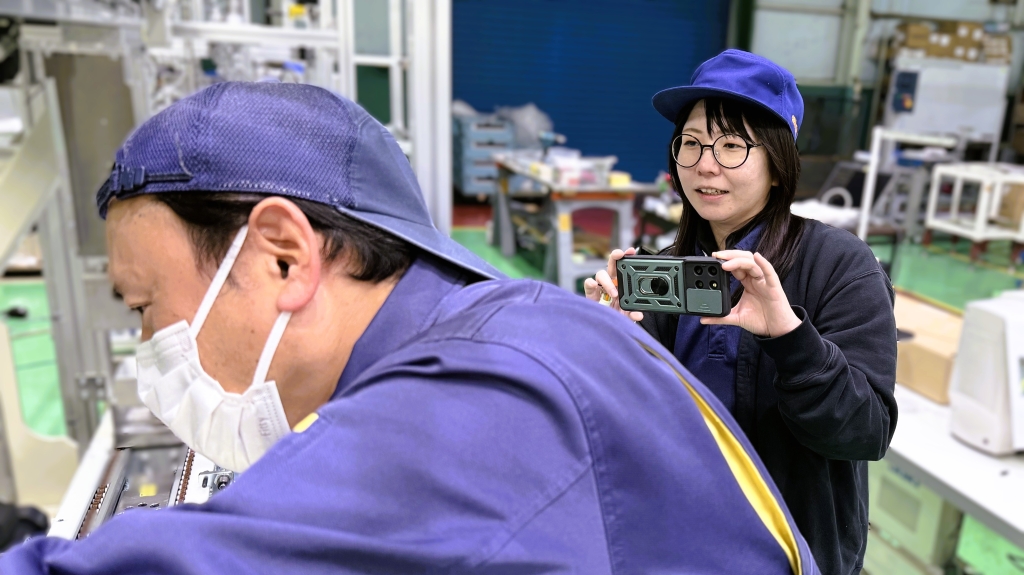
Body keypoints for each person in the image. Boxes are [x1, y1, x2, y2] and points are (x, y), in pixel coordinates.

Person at [0, 81, 821, 574]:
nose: (148, 349)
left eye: (143, 305)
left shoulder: (473, 403)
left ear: (283, 256)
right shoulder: (500, 320)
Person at [584, 49, 898, 575]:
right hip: (675, 544)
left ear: (778, 165)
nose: (705, 164)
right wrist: (608, 346)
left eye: (732, 146)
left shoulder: (840, 266)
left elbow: (865, 432)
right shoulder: (663, 274)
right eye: (691, 143)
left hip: (787, 552)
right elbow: (622, 430)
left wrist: (792, 338)